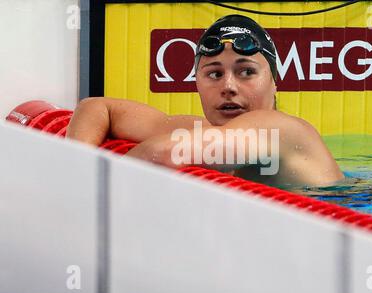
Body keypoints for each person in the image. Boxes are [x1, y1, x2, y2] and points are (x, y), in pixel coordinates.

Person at [67, 14, 344, 187]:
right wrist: (76, 166)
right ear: (197, 82)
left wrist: (82, 188)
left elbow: (166, 153)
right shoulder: (206, 134)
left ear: (273, 82)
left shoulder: (280, 129)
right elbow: (96, 107)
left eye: (246, 71)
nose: (229, 86)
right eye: (214, 73)